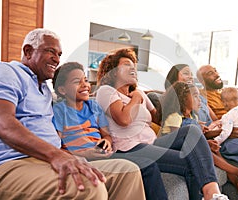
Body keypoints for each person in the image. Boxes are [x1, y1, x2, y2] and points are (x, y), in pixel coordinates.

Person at [0, 28, 146, 200]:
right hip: (9, 164)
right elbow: (0, 123)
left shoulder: (44, 89)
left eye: (59, 54)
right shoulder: (6, 71)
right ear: (28, 52)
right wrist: (57, 155)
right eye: (50, 51)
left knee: (128, 171)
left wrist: (70, 156)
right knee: (88, 187)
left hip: (44, 161)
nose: (57, 59)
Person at [95, 48, 228, 200]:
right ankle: (211, 195)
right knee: (194, 163)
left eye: (134, 65)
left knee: (191, 130)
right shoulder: (107, 91)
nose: (133, 68)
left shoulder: (139, 94)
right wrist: (137, 98)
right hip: (129, 148)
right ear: (113, 71)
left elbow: (158, 118)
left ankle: (213, 194)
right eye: (126, 64)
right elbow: (124, 119)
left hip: (153, 143)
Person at [52, 61, 166, 200]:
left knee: (148, 165)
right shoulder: (58, 111)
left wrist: (106, 141)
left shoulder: (93, 106)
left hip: (104, 154)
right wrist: (84, 153)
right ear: (62, 90)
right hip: (80, 158)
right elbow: (55, 148)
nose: (85, 85)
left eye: (86, 80)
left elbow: (106, 135)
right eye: (77, 82)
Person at [161, 82, 238, 197]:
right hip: (173, 149)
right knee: (206, 151)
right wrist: (205, 142)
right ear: (182, 99)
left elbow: (199, 137)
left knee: (215, 150)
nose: (200, 101)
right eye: (196, 96)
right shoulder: (174, 117)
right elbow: (174, 139)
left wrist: (214, 135)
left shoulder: (193, 117)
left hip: (192, 146)